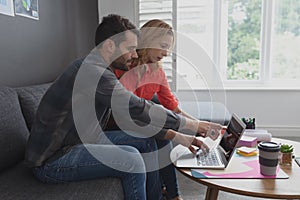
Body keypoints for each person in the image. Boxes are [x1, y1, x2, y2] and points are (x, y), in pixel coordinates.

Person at [25, 14, 222, 200]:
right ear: (110, 45)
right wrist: (191, 126)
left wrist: (187, 128)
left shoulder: (102, 69)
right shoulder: (92, 71)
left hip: (82, 140)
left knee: (147, 143)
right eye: (131, 48)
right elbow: (137, 108)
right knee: (133, 160)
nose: (135, 54)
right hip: (52, 160)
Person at [114, 19, 222, 199]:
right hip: (119, 123)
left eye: (168, 48)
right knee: (155, 138)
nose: (165, 53)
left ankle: (174, 195)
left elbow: (173, 107)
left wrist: (198, 124)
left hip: (139, 121)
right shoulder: (125, 66)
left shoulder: (158, 72)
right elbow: (124, 112)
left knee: (163, 138)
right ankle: (159, 195)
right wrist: (187, 130)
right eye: (163, 46)